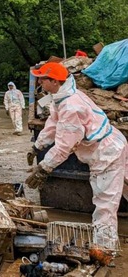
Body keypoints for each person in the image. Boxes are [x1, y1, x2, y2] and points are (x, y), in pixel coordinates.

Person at [26, 62, 128, 249]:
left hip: (106, 153)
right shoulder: (61, 97)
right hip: (112, 144)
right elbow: (53, 123)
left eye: (42, 78)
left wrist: (44, 167)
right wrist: (38, 146)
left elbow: (65, 146)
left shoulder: (72, 107)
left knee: (105, 203)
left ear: (54, 81)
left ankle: (105, 250)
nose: (39, 81)